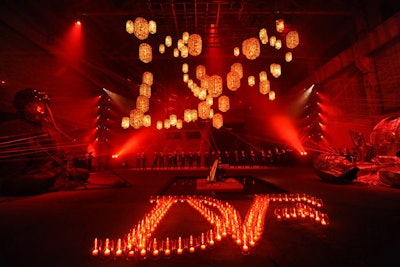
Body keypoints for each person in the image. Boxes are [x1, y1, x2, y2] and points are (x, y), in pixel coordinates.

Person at [0, 88, 88, 195]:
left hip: (48, 171)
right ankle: (50, 182)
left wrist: (66, 159)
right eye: (35, 105)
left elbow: (57, 154)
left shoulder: (48, 128)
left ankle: (51, 181)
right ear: (24, 107)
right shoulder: (13, 127)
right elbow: (13, 166)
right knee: (31, 182)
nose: (40, 108)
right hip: (25, 174)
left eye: (42, 105)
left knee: (83, 172)